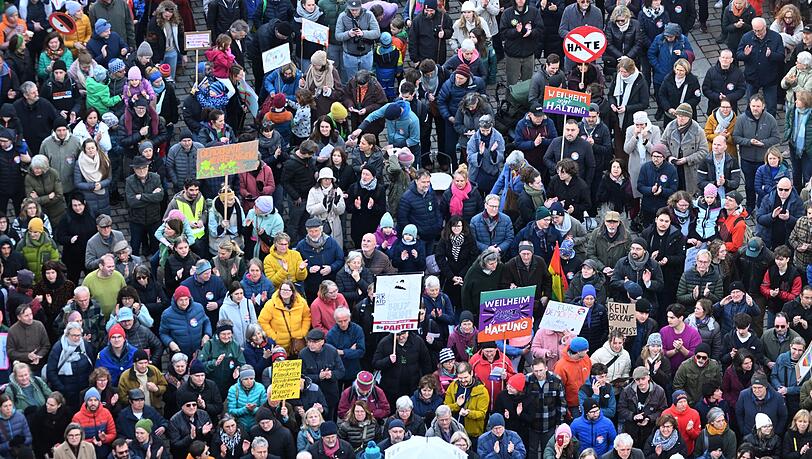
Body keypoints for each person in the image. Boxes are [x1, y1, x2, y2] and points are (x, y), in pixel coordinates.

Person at [737, 17, 786, 115]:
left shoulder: (776, 37)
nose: (757, 33)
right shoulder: (747, 37)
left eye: (759, 30)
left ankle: (769, 128)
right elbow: (738, 55)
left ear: (765, 27)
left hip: (770, 78)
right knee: (750, 106)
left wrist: (771, 55)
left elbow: (781, 56)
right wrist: (745, 54)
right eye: (755, 30)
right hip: (752, 77)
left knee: (771, 107)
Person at [619, 367, 668, 449]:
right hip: (631, 428)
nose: (640, 382)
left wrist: (649, 418)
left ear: (648, 377)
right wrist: (633, 416)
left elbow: (663, 410)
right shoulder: (627, 391)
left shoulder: (659, 391)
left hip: (650, 429)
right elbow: (621, 408)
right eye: (637, 379)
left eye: (643, 378)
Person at [444, 362, 490, 441]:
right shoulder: (452, 386)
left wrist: (468, 413)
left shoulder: (482, 391)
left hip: (472, 434)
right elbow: (445, 407)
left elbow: (482, 414)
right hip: (454, 430)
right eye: (460, 378)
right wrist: (457, 405)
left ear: (471, 373)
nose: (463, 380)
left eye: (465, 377)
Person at [499, 0, 542, 85]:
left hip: (529, 54)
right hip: (512, 55)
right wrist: (516, 31)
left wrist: (531, 32)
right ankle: (510, 99)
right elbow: (503, 33)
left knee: (528, 83)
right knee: (511, 83)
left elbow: (540, 30)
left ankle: (526, 98)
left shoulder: (534, 12)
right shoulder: (507, 13)